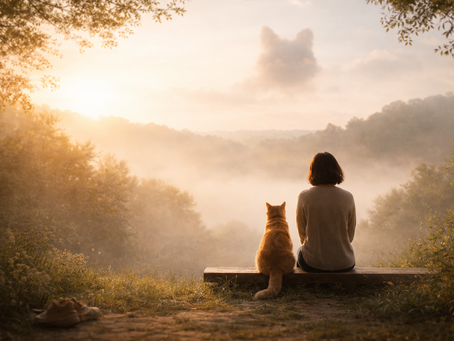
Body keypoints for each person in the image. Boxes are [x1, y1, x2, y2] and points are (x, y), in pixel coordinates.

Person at [296, 152, 356, 273]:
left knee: (300, 251)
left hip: (313, 263)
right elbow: (350, 235)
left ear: (312, 171)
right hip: (345, 263)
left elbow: (302, 234)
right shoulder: (348, 197)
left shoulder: (304, 196)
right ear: (336, 170)